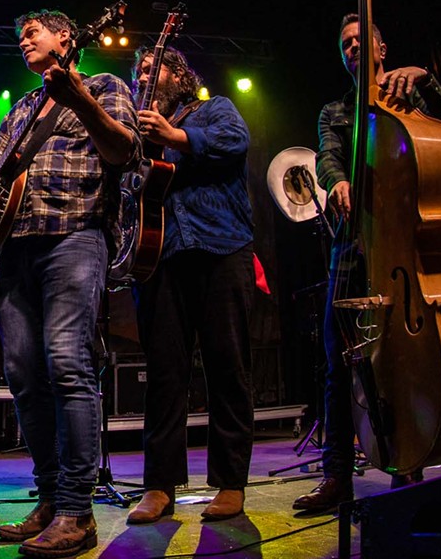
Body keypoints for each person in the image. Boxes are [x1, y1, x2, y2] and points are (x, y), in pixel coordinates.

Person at [0, 9, 140, 558]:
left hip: (74, 238)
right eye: (18, 37)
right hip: (16, 246)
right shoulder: (25, 106)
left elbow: (125, 153)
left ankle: (77, 511)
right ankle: (52, 497)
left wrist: (78, 95)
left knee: (67, 363)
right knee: (23, 375)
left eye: (32, 32)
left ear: (67, 37)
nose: (23, 41)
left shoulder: (105, 86)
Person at [293, 13, 441, 513]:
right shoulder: (334, 111)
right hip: (353, 244)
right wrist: (337, 180)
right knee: (337, 359)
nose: (352, 49)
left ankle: (407, 459)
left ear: (381, 48)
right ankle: (336, 478)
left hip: (406, 244)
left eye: (360, 41)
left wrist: (428, 82)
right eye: (344, 44)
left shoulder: (408, 93)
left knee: (403, 356)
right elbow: (326, 157)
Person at [122, 46, 256, 524]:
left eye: (151, 66)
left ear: (178, 75)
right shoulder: (135, 130)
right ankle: (159, 486)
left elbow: (234, 142)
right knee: (164, 375)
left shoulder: (213, 108)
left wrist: (175, 135)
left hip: (223, 248)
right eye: (138, 69)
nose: (142, 73)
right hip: (160, 258)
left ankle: (230, 482)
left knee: (228, 368)